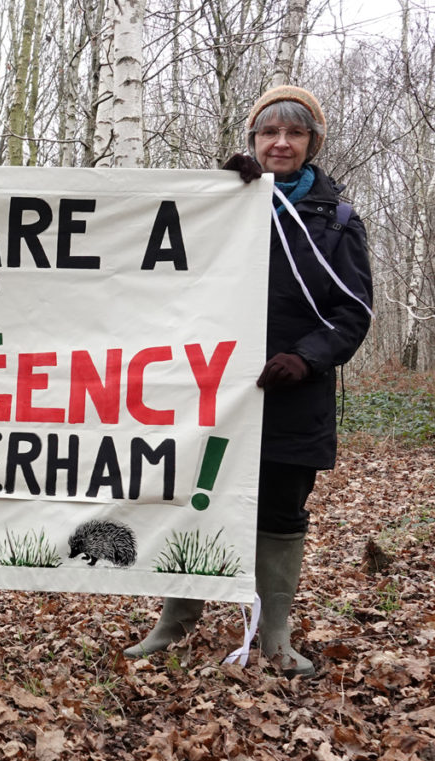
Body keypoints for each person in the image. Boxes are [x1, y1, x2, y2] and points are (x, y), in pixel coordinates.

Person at [124, 86, 373, 676]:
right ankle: (175, 623)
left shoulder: (337, 221)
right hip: (211, 394)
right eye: (268, 133)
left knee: (281, 514)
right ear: (253, 139)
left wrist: (307, 358)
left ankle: (276, 636)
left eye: (294, 134)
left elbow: (354, 313)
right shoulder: (223, 203)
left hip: (293, 397)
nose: (280, 143)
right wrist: (224, 196)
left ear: (313, 143)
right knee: (197, 502)